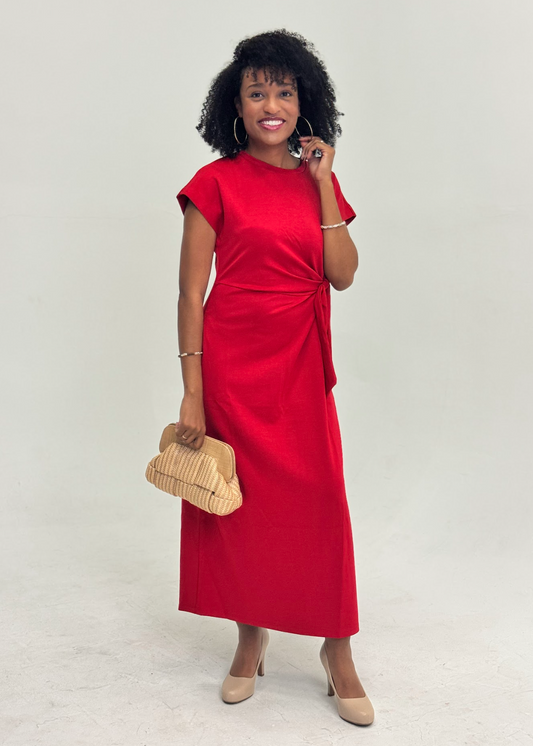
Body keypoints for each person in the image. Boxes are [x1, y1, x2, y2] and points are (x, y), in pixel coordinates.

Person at [174, 29, 374, 726]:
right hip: (233, 368)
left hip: (299, 365)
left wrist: (321, 186)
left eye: (283, 92)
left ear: (302, 101)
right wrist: (193, 394)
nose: (271, 104)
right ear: (235, 106)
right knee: (241, 508)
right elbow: (190, 294)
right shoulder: (214, 184)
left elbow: (342, 275)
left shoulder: (320, 180)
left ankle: (336, 649)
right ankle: (250, 638)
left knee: (321, 505)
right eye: (256, 92)